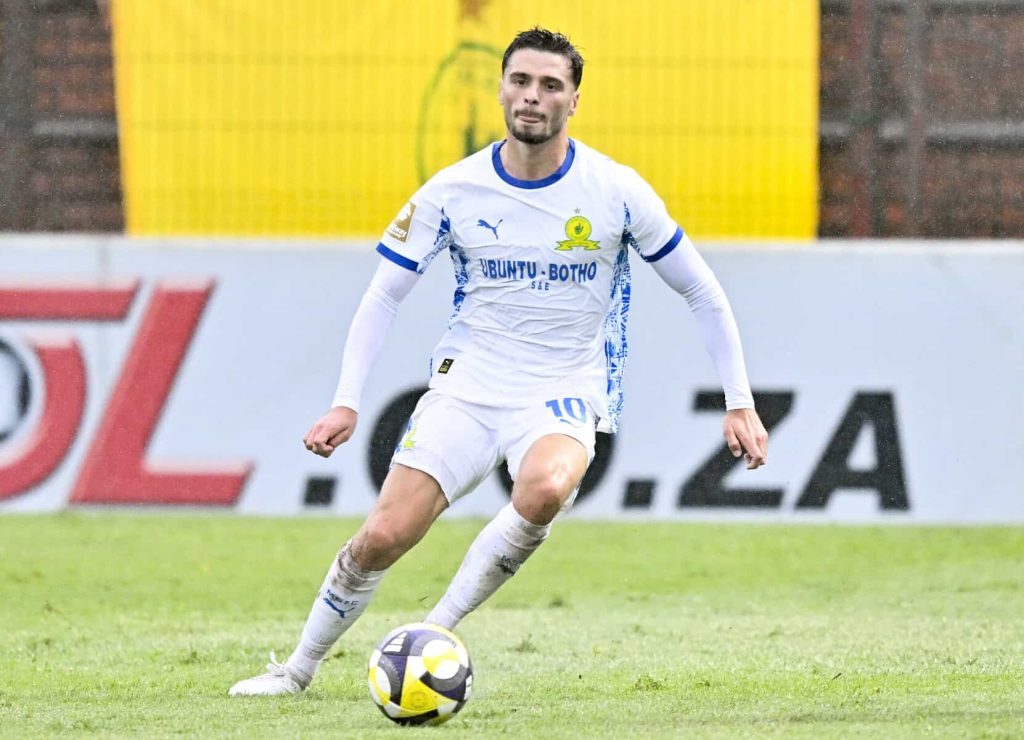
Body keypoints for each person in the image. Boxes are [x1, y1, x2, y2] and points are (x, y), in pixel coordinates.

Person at [229, 26, 768, 696]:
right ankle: (296, 670)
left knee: (544, 489)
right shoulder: (454, 190)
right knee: (383, 536)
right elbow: (383, 295)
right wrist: (346, 399)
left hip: (564, 388)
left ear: (574, 100)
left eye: (550, 85)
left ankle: (430, 635)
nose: (532, 96)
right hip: (468, 388)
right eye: (520, 81)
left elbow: (702, 291)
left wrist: (739, 401)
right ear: (502, 89)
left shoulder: (616, 190)